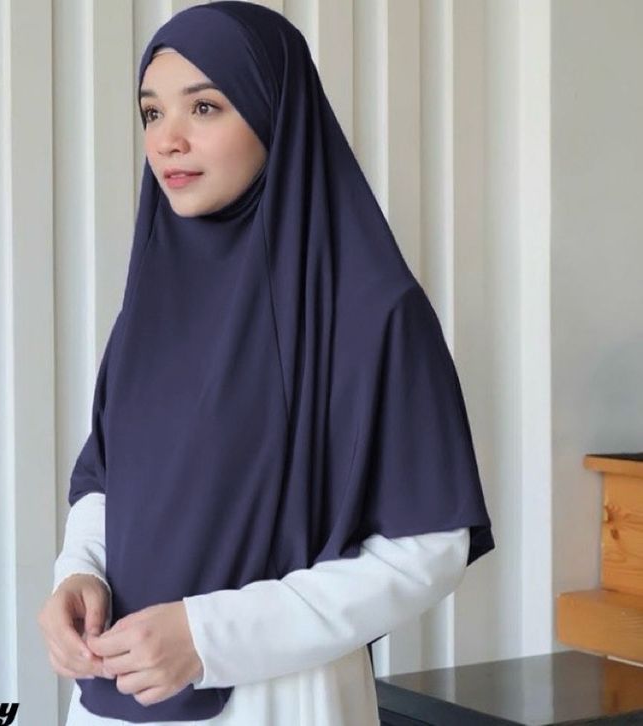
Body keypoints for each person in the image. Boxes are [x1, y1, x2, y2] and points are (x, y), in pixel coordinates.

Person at [37, 2, 495, 725]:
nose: (167, 139)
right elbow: (108, 481)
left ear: (274, 112)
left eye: (205, 107)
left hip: (282, 702)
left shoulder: (373, 311)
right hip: (113, 698)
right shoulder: (150, 309)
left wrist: (209, 637)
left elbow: (430, 545)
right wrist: (79, 575)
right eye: (152, 113)